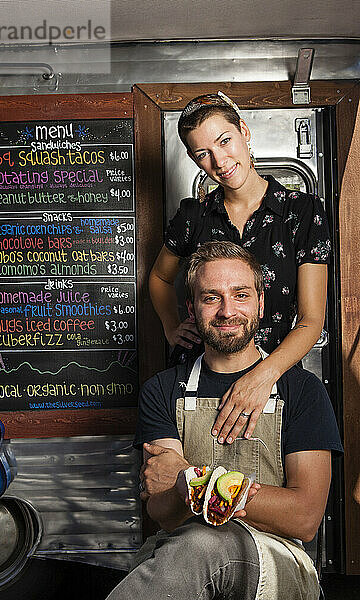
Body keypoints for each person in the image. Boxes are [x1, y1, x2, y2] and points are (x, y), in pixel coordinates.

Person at [107, 241, 342, 600]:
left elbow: (304, 518)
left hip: (275, 560)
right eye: (211, 297)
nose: (227, 311)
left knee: (202, 542)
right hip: (181, 554)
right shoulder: (163, 390)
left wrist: (193, 480)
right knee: (195, 544)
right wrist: (203, 491)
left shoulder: (302, 390)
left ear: (261, 304)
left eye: (241, 295)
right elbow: (162, 511)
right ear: (192, 308)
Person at [149, 92, 330, 445]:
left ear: (244, 131)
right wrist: (172, 326)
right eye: (203, 153)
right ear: (193, 159)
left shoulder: (302, 212)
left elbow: (311, 321)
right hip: (200, 379)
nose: (219, 160)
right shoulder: (193, 216)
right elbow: (158, 278)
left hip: (273, 378)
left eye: (224, 141)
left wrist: (262, 377)